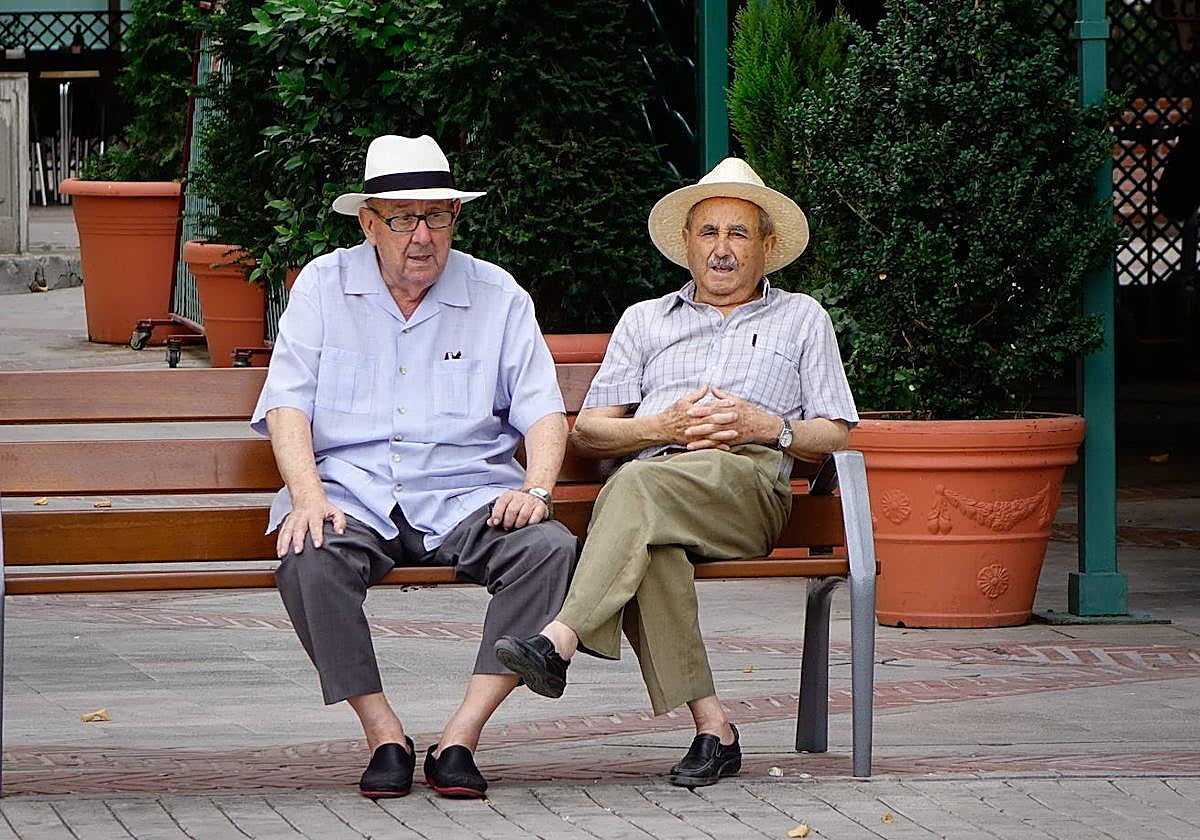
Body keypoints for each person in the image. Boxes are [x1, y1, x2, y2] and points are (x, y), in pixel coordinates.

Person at [493, 158, 859, 787]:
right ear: (687, 245)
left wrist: (762, 425)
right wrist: (662, 429)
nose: (722, 249)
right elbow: (591, 429)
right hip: (659, 485)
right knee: (652, 548)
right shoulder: (644, 320)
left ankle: (559, 638)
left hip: (746, 489)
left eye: (739, 235)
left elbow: (837, 431)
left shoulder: (801, 318)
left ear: (768, 248)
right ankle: (715, 729)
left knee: (633, 487)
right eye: (709, 233)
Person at [251, 134, 577, 800]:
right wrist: (306, 495)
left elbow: (543, 410)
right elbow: (287, 405)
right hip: (351, 493)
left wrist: (538, 488)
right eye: (403, 217)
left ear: (457, 218)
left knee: (549, 549)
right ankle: (384, 736)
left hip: (465, 494)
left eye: (438, 215)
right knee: (308, 556)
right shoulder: (323, 286)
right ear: (369, 222)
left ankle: (460, 737)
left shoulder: (498, 294)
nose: (422, 235)